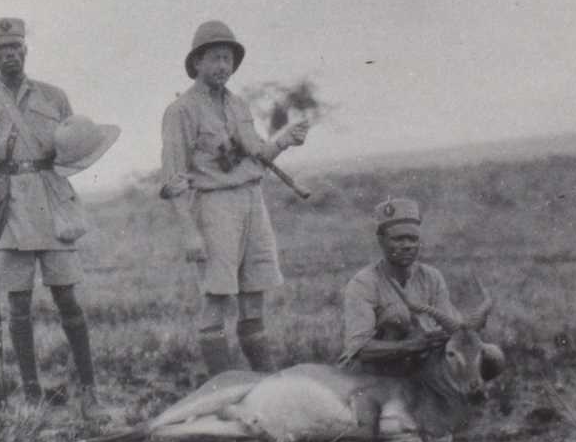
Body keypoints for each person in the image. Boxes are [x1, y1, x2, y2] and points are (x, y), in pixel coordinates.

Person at [0, 17, 108, 422]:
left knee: (68, 300)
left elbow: (74, 150)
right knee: (18, 305)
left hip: (52, 202)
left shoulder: (54, 97)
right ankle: (31, 393)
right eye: (1, 50)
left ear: (25, 52)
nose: (9, 56)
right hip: (8, 209)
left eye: (16, 49)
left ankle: (90, 393)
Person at [160, 19, 309, 376]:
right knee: (217, 296)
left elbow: (257, 155)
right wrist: (190, 231)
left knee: (254, 293)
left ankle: (263, 381)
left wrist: (284, 141)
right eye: (214, 58)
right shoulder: (181, 111)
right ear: (196, 62)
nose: (222, 66)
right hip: (214, 207)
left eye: (227, 59)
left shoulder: (238, 105)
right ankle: (223, 386)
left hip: (251, 202)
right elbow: (174, 178)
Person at [339, 197, 504, 379]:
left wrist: (470, 327)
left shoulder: (431, 276)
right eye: (398, 239)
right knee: (398, 316)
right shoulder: (364, 283)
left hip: (417, 367)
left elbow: (452, 327)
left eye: (413, 239)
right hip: (371, 374)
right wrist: (411, 345)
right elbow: (359, 349)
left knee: (492, 355)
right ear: (381, 240)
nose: (407, 246)